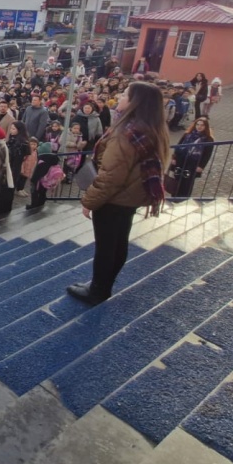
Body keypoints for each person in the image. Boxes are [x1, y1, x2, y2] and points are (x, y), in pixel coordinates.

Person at [69, 80, 169, 306]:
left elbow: (111, 175)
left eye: (125, 94)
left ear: (135, 102)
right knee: (118, 243)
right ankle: (104, 284)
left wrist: (89, 201)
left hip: (115, 200)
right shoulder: (148, 130)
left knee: (106, 246)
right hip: (130, 199)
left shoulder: (125, 133)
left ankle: (97, 290)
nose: (120, 98)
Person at [170, 116, 215, 198]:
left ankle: (184, 198)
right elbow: (178, 146)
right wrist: (174, 158)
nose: (199, 127)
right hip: (181, 160)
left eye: (202, 125)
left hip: (193, 163)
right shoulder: (187, 134)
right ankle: (174, 196)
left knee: (188, 182)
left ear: (206, 127)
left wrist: (201, 166)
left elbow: (207, 154)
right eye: (197, 124)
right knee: (177, 179)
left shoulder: (208, 139)